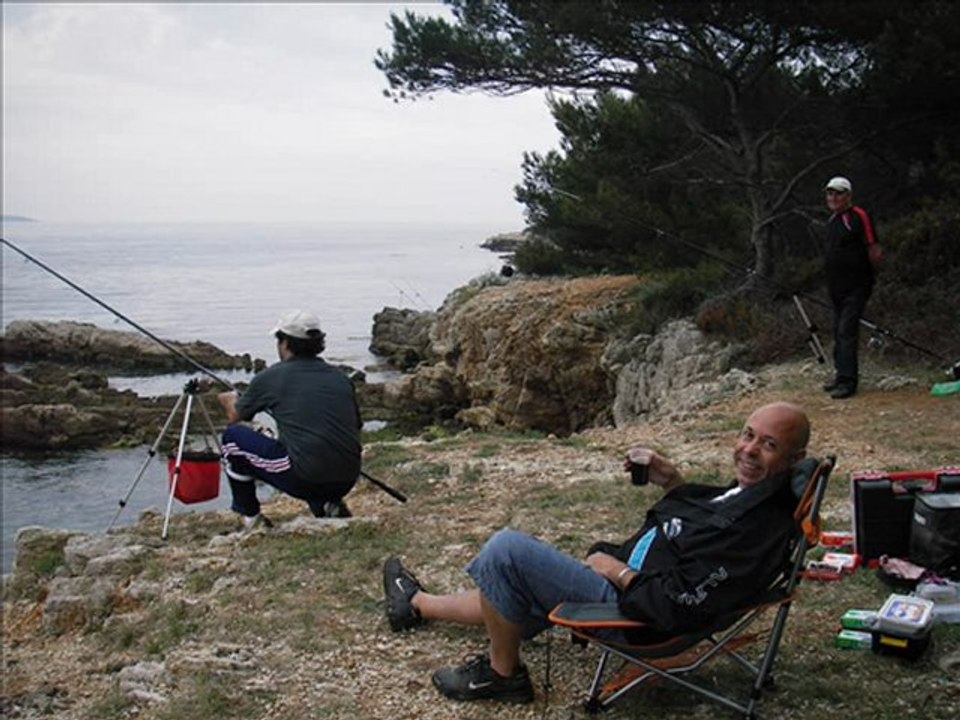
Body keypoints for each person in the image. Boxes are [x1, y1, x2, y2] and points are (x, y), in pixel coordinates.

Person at [382, 402, 811, 704]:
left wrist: (617, 571)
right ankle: (416, 604)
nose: (749, 450)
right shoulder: (751, 498)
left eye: (768, 445)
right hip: (630, 588)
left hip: (635, 615)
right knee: (514, 591)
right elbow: (703, 528)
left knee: (506, 551)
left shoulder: (757, 530)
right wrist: (672, 482)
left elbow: (676, 604)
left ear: (794, 458)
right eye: (748, 435)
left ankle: (502, 676)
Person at [218, 310, 362, 528]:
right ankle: (328, 506)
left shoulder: (272, 376)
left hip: (306, 479)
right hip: (347, 478)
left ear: (285, 343)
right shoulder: (340, 377)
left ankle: (251, 518)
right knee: (308, 447)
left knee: (232, 440)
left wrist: (228, 399)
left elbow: (236, 416)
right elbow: (355, 426)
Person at [822, 176, 883, 399]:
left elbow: (874, 248)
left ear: (848, 195)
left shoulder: (858, 216)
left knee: (847, 330)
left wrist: (869, 275)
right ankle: (840, 376)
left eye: (838, 193)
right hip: (835, 286)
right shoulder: (832, 220)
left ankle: (849, 382)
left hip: (856, 286)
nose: (833, 197)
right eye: (830, 193)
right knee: (838, 330)